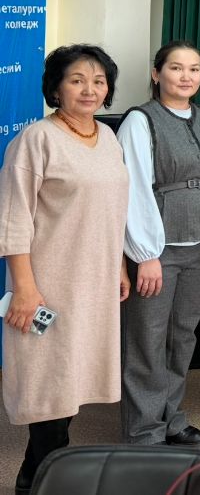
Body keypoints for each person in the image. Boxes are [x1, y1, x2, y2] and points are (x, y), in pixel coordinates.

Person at [1, 45, 129, 494]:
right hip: (47, 284)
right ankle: (41, 477)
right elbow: (14, 218)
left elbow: (114, 209)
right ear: (56, 88)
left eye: (98, 81)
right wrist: (24, 289)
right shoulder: (36, 140)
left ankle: (39, 474)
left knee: (72, 379)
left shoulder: (108, 137)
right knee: (49, 383)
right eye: (77, 80)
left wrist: (118, 265)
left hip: (94, 280)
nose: (89, 89)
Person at [119, 41, 200, 448]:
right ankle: (143, 431)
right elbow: (132, 190)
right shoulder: (140, 120)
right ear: (156, 73)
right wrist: (146, 255)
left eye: (194, 69)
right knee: (147, 339)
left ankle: (171, 419)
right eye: (176, 68)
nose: (186, 76)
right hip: (158, 249)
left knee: (183, 336)